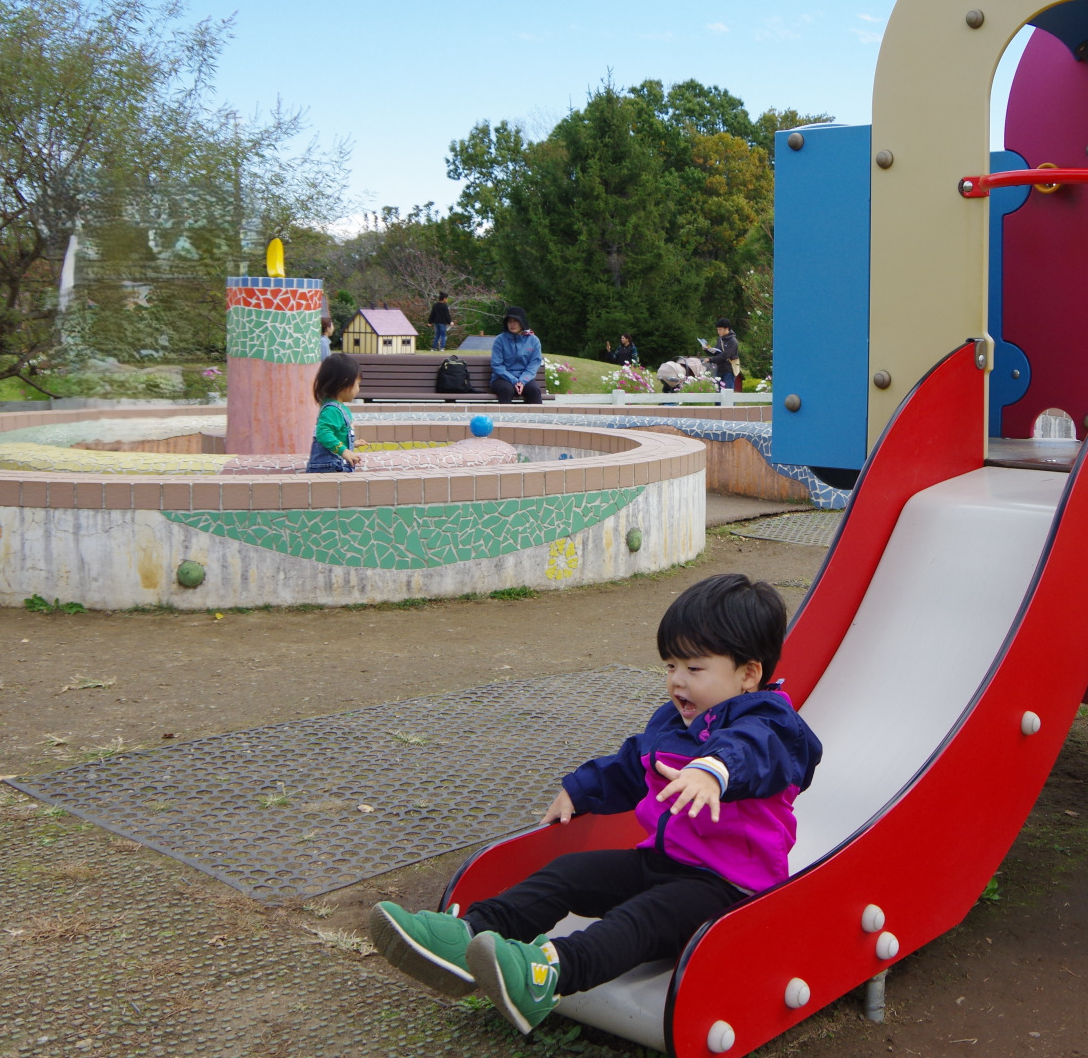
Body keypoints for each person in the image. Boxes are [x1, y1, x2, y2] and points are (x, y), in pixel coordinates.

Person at [370, 574, 822, 1035]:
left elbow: (753, 751)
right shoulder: (674, 723)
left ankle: (549, 974)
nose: (676, 681)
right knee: (568, 874)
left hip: (729, 890)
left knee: (639, 920)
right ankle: (466, 939)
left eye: (694, 668)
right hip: (662, 862)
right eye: (670, 666)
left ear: (748, 673)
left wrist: (713, 770)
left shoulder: (772, 724)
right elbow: (631, 766)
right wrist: (581, 789)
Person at [307, 354, 363, 472]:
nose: (358, 389)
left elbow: (336, 433)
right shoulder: (332, 410)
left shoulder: (338, 408)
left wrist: (352, 443)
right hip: (328, 467)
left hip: (333, 465)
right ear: (345, 383)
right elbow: (323, 433)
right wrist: (344, 450)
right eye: (357, 384)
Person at [491, 306, 545, 404]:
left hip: (525, 378)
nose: (512, 324)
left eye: (516, 320)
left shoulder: (533, 340)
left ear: (522, 322)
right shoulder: (500, 340)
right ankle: (504, 418)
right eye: (509, 321)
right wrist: (514, 381)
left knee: (534, 390)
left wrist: (522, 381)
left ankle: (536, 418)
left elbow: (534, 364)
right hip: (502, 378)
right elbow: (497, 365)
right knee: (507, 389)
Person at [702, 318, 740, 391]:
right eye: (717, 330)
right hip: (719, 369)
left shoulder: (733, 341)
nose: (718, 332)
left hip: (728, 371)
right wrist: (707, 349)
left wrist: (710, 359)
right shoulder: (720, 339)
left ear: (727, 329)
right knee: (717, 393)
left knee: (728, 394)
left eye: (720, 329)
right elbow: (717, 352)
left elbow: (724, 356)